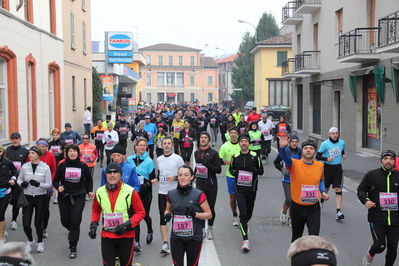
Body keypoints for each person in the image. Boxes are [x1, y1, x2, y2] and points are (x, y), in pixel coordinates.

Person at [89, 162, 145, 266]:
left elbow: (140, 212)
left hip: (126, 236)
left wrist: (127, 225)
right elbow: (96, 210)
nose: (112, 175)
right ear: (106, 175)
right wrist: (93, 224)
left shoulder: (130, 191)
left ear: (120, 174)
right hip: (107, 235)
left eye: (115, 172)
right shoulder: (99, 192)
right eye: (109, 172)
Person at [279, 136, 329, 242]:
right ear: (302, 151)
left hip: (313, 208)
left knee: (314, 239)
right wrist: (282, 148)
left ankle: (311, 258)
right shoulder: (294, 164)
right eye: (306, 148)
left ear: (315, 151)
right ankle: (295, 258)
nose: (308, 150)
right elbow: (284, 157)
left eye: (311, 148)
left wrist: (323, 191)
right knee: (296, 238)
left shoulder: (319, 165)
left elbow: (320, 180)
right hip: (297, 208)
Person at [357, 150, 399, 266]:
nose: (388, 161)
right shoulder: (372, 175)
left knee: (393, 247)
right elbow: (361, 190)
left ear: (394, 161)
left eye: (391, 159)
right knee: (380, 245)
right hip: (377, 217)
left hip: (395, 219)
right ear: (381, 160)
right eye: (385, 159)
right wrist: (366, 200)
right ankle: (371, 251)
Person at [164, 165, 212, 266]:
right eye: (180, 175)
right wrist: (167, 215)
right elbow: (168, 210)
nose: (183, 177)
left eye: (186, 175)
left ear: (192, 177)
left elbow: (209, 214)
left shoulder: (199, 194)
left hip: (194, 237)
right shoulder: (171, 194)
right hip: (176, 237)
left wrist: (195, 214)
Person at [53, 144, 94, 258]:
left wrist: (89, 191)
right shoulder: (62, 165)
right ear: (66, 153)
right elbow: (55, 180)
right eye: (70, 151)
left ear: (78, 153)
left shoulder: (83, 165)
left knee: (75, 220)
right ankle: (71, 231)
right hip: (65, 196)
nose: (72, 153)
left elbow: (89, 179)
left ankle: (73, 247)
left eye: (74, 151)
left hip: (79, 195)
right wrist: (58, 188)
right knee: (65, 221)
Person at [229, 134, 264, 251]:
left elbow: (261, 171)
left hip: (252, 190)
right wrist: (236, 173)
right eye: (242, 141)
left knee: (248, 214)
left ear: (248, 143)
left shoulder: (255, 156)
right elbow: (231, 169)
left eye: (246, 141)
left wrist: (253, 170)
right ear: (239, 143)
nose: (244, 143)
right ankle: (245, 241)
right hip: (240, 190)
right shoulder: (235, 156)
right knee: (242, 214)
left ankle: (246, 222)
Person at [17, 146, 52, 253]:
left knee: (38, 223)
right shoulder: (25, 167)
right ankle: (30, 240)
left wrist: (39, 184)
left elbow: (49, 184)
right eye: (29, 153)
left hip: (40, 197)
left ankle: (40, 242)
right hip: (27, 197)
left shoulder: (45, 167)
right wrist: (22, 184)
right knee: (26, 223)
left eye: (33, 153)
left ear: (38, 155)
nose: (30, 155)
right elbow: (19, 179)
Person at [153, 137, 185, 254]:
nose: (166, 145)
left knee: (176, 217)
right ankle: (165, 243)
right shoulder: (159, 159)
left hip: (175, 192)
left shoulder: (178, 159)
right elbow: (159, 173)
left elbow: (185, 174)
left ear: (172, 145)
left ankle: (177, 240)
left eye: (168, 143)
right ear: (161, 145)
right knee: (163, 217)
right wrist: (156, 180)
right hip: (162, 192)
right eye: (164, 143)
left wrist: (176, 178)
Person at [126, 139, 156, 252]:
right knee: (134, 217)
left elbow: (152, 177)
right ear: (136, 146)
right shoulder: (129, 159)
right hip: (133, 193)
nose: (142, 147)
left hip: (145, 192)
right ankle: (137, 242)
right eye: (140, 145)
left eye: (144, 145)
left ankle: (149, 230)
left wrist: (147, 183)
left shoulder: (149, 161)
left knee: (144, 215)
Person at [194, 132, 222, 240]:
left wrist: (208, 165)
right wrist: (191, 176)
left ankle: (210, 229)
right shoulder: (196, 153)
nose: (203, 139)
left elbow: (218, 170)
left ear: (208, 140)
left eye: (205, 138)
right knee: (200, 208)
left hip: (211, 184)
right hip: (200, 184)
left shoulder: (214, 153)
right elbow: (197, 168)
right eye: (201, 137)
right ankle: (201, 230)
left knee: (210, 208)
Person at [316, 127, 347, 221]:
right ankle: (321, 202)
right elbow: (317, 156)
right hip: (327, 169)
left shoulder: (342, 142)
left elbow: (341, 150)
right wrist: (326, 159)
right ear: (329, 134)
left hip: (337, 169)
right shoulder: (325, 144)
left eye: (336, 133)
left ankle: (338, 211)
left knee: (338, 189)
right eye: (333, 133)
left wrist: (343, 155)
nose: (335, 135)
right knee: (325, 189)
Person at [274, 134, 301, 226]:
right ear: (289, 142)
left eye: (296, 142)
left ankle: (290, 217)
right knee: (289, 200)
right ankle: (284, 211)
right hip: (286, 178)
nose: (294, 143)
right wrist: (282, 169)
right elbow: (276, 162)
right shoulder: (285, 151)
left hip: (297, 179)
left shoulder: (300, 152)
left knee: (295, 200)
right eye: (292, 142)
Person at [33, 139, 57, 239]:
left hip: (46, 186)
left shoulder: (50, 156)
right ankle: (38, 226)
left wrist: (49, 182)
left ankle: (44, 227)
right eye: (40, 146)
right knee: (36, 207)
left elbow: (54, 170)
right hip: (33, 187)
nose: (42, 148)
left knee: (45, 207)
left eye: (44, 146)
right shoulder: (32, 155)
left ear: (47, 147)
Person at [219, 126, 241, 226]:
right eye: (231, 132)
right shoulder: (225, 146)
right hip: (231, 175)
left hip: (243, 176)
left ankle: (243, 216)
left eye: (235, 133)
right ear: (229, 134)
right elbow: (218, 161)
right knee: (233, 197)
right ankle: (235, 215)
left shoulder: (243, 144)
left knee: (242, 197)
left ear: (237, 134)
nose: (233, 134)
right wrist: (226, 162)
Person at [6, 132, 29, 231]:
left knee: (16, 200)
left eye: (17, 139)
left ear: (20, 139)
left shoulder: (25, 151)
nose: (15, 140)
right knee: (5, 200)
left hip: (19, 179)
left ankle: (13, 220)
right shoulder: (7, 151)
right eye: (13, 139)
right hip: (7, 179)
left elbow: (28, 164)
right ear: (11, 140)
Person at [0, 145, 18, 244]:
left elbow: (15, 172)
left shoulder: (7, 163)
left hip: (4, 190)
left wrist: (13, 179)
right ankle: (1, 230)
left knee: (1, 213)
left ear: (1, 153)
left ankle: (1, 237)